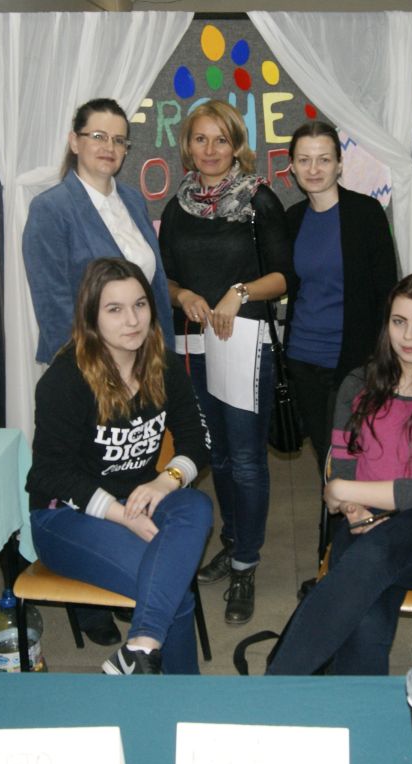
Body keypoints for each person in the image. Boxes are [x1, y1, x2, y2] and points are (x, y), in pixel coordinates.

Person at [266, 272, 412, 676]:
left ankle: (275, 684)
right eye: (399, 321)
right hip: (367, 522)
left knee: (372, 555)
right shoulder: (358, 384)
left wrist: (343, 490)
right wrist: (353, 510)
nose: (408, 336)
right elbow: (345, 464)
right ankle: (353, 708)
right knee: (365, 619)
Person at [23, 97, 177, 646]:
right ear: (74, 141)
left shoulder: (131, 199)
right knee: (87, 474)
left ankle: (128, 571)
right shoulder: (52, 209)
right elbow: (52, 304)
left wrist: (159, 359)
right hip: (87, 375)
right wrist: (94, 378)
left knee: (132, 470)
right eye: (97, 136)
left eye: (118, 139)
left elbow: (151, 289)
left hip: (141, 362)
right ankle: (89, 590)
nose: (108, 148)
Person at [26, 258, 212, 675]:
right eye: (115, 309)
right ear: (91, 317)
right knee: (172, 595)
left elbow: (198, 441)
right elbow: (49, 474)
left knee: (196, 506)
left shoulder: (163, 365)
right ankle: (183, 696)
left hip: (139, 500)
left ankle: (140, 650)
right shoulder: (65, 380)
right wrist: (120, 514)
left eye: (140, 305)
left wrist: (166, 482)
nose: (132, 320)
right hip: (65, 516)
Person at [159, 99, 294, 625]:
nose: (210, 150)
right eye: (200, 139)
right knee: (215, 454)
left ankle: (245, 563)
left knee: (245, 457)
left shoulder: (259, 200)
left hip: (245, 340)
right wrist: (183, 295)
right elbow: (166, 277)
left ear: (237, 144)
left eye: (221, 139)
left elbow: (284, 276)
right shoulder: (178, 206)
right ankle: (234, 540)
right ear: (187, 146)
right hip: (194, 342)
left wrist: (239, 292)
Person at [285, 120, 398, 480]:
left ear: (339, 164)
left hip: (353, 360)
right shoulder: (292, 219)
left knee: (352, 454)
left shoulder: (366, 214)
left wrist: (384, 359)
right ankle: (332, 515)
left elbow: (387, 292)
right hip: (303, 357)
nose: (314, 169)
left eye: (323, 159)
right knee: (325, 453)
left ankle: (347, 513)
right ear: (292, 167)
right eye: (304, 160)